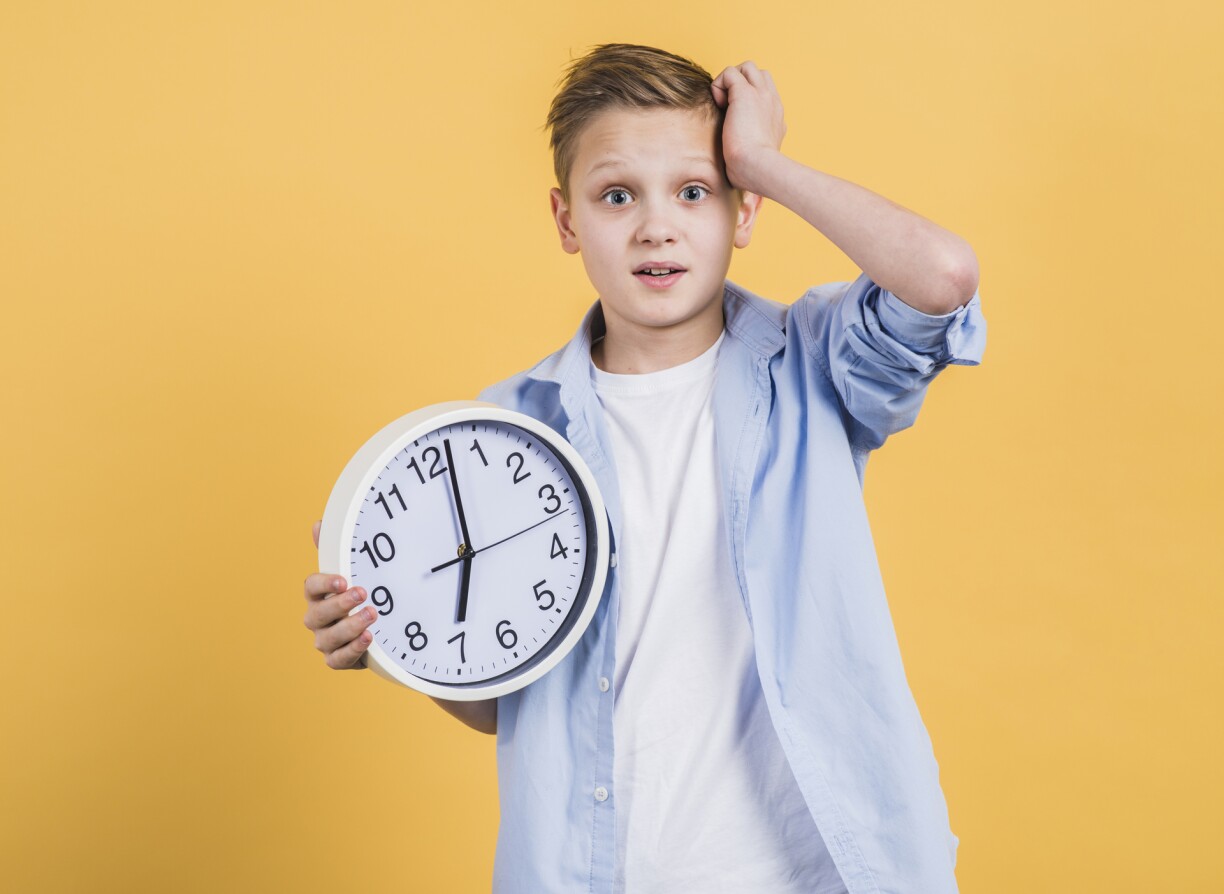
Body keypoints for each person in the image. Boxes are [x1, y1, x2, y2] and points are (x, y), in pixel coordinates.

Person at [302, 43, 985, 894]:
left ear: (745, 212)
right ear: (566, 220)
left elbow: (942, 276)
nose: (656, 226)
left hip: (812, 872)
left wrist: (763, 160)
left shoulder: (812, 365)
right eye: (616, 195)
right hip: (600, 872)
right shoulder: (507, 430)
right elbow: (501, 701)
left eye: (695, 191)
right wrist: (398, 639)